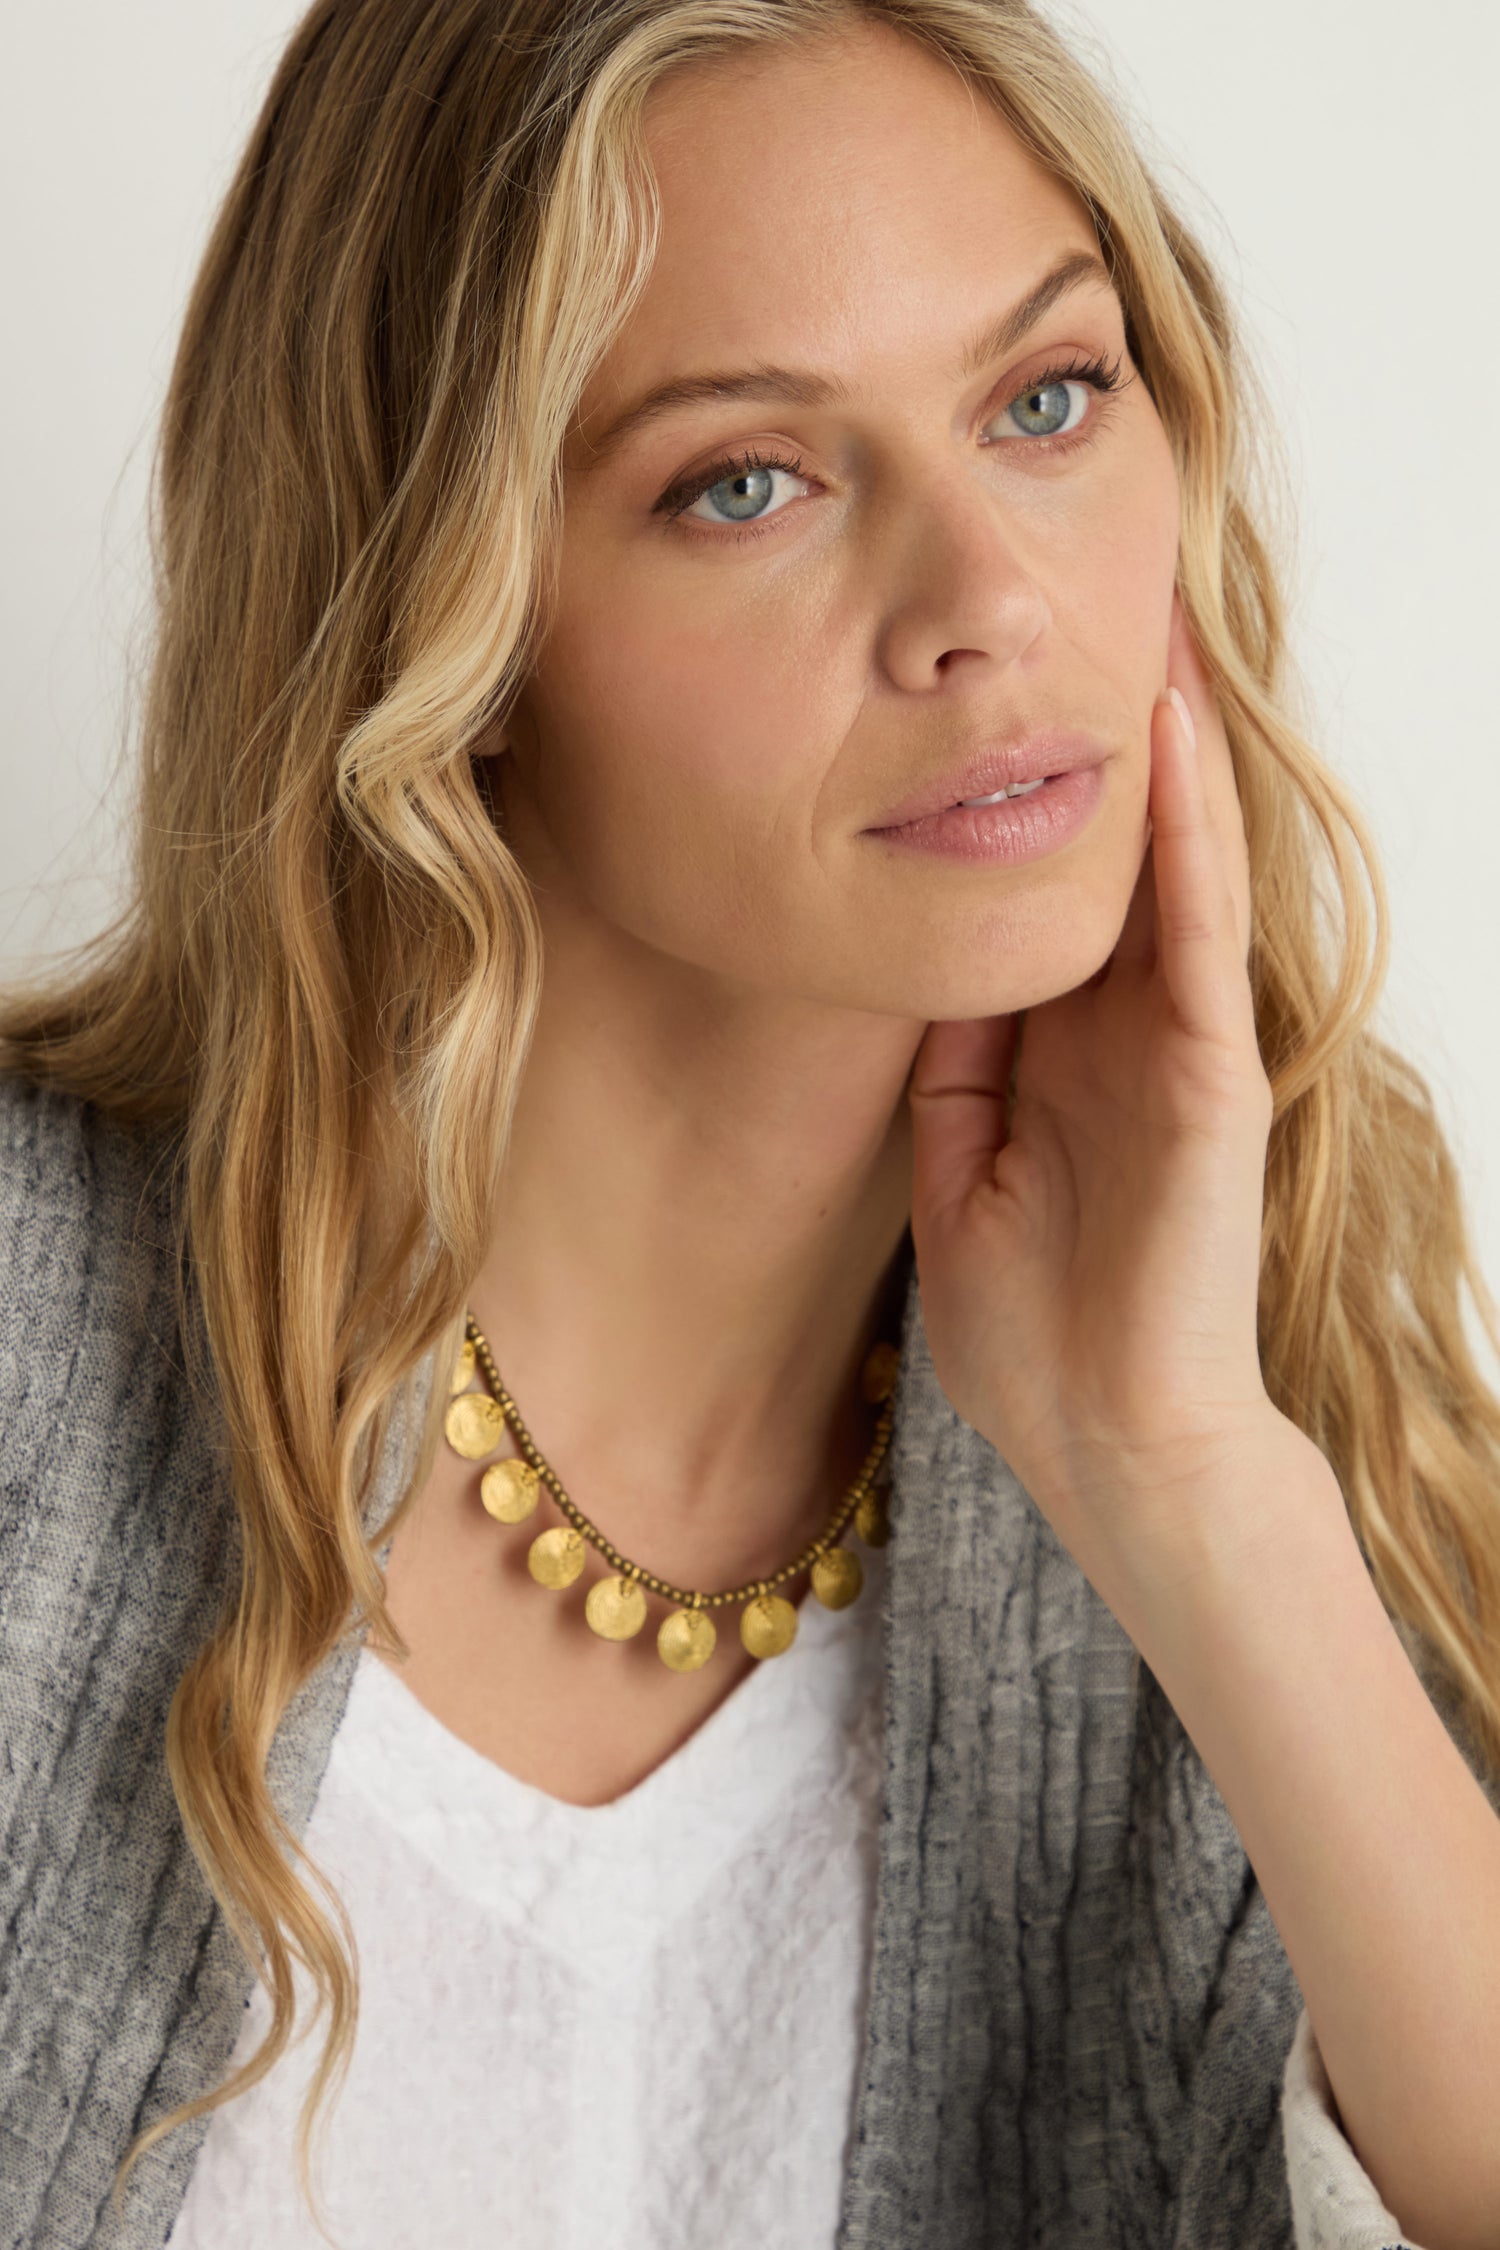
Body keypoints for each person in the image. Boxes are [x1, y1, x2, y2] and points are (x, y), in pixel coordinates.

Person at [3, 2, 1499, 2245]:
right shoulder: (40, 1340)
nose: (990, 601)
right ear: (450, 620)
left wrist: (1190, 1480)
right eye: (747, 480)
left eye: (1049, 400)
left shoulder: (1288, 1402)